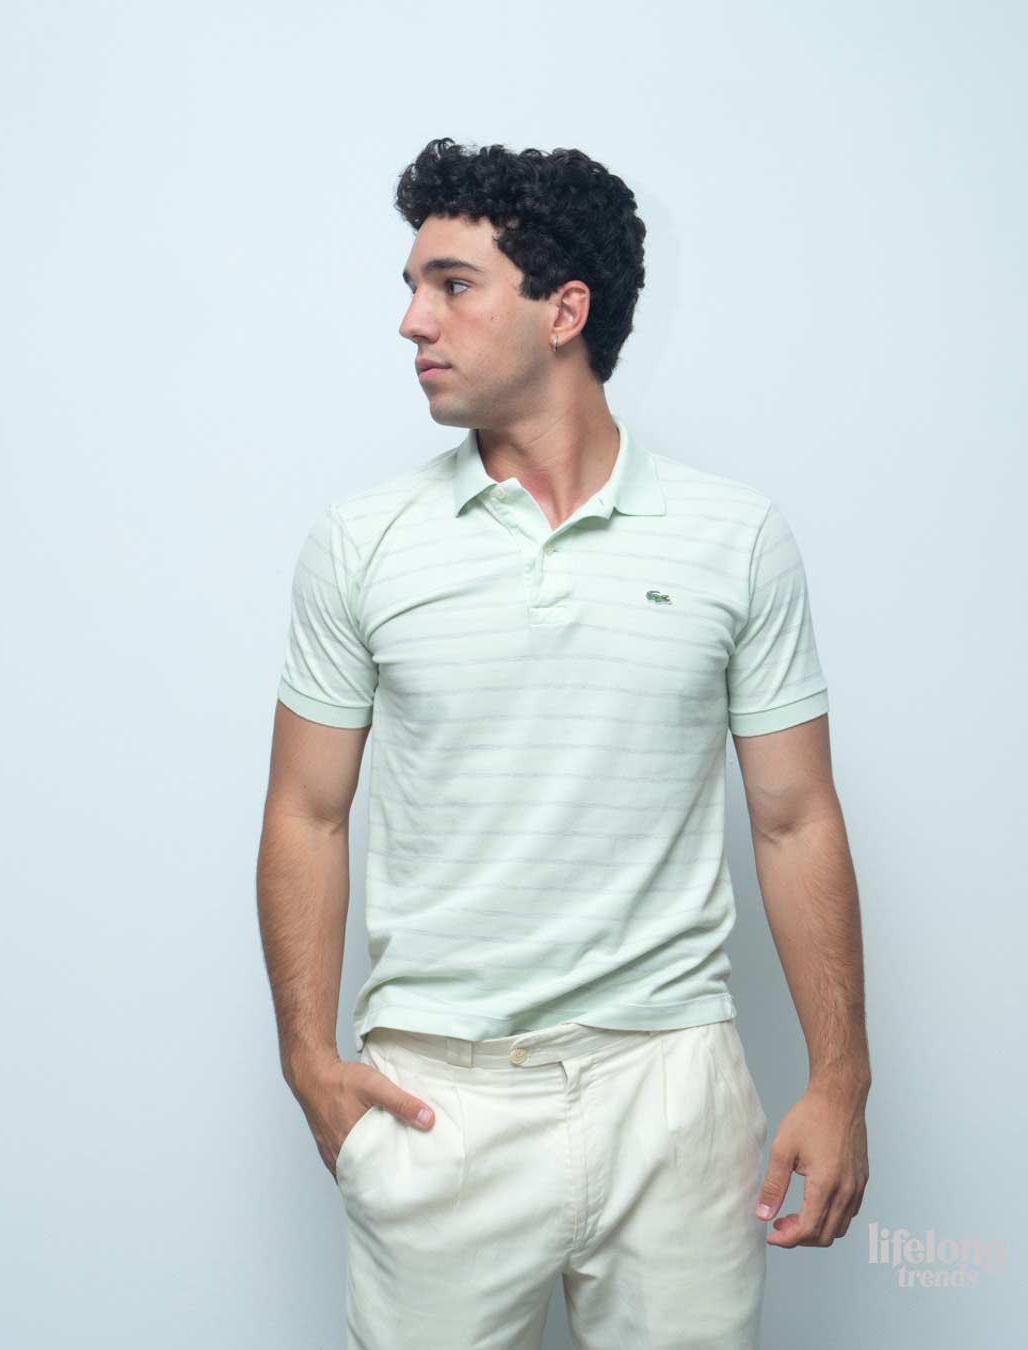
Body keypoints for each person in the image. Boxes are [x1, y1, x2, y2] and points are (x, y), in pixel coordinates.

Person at [256, 136, 870, 1349]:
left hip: (672, 1093)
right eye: (413, 287)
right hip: (438, 1099)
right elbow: (305, 811)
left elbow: (796, 816)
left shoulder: (734, 538)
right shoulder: (362, 543)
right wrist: (308, 1061)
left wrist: (842, 1079)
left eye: (452, 285)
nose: (412, 321)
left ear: (563, 311)